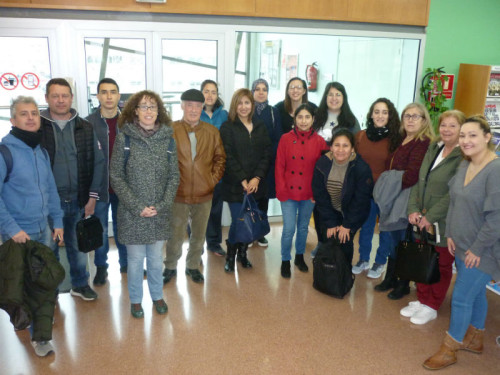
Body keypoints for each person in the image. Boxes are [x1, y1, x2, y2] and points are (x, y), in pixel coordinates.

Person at [423, 116, 500, 370]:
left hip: (484, 249)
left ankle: (449, 348)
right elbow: (454, 201)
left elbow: (496, 219)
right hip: (461, 242)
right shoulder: (465, 165)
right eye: (463, 135)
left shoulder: (495, 170)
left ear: (488, 137)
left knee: (461, 297)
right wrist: (451, 234)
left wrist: (477, 249)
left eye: (473, 135)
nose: (466, 141)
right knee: (476, 293)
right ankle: (476, 338)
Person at [0, 96, 64, 357]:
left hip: (42, 230)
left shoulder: (41, 150)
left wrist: (57, 221)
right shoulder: (5, 152)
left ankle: (38, 330)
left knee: (43, 284)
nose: (30, 118)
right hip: (18, 233)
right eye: (24, 114)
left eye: (34, 114)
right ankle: (32, 329)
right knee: (24, 284)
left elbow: (50, 188)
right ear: (13, 120)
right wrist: (12, 228)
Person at [110, 90, 179, 318]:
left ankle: (157, 296)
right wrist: (137, 206)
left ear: (159, 111)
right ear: (135, 111)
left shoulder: (169, 139)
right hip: (133, 214)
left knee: (157, 261)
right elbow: (116, 176)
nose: (148, 111)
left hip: (159, 212)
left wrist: (162, 204)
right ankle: (136, 300)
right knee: (136, 261)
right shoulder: (125, 138)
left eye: (152, 107)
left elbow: (174, 177)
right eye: (143, 107)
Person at [40, 78, 105, 301]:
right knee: (48, 249)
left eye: (64, 95)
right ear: (47, 98)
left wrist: (92, 196)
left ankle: (80, 284)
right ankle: (51, 291)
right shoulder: (38, 127)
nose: (60, 100)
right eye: (55, 96)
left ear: (71, 98)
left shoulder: (85, 127)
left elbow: (98, 162)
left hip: (79, 199)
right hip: (49, 202)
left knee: (78, 247)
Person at [402, 110, 465, 325]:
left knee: (441, 263)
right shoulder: (434, 147)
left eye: (452, 126)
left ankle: (432, 304)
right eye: (443, 125)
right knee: (423, 257)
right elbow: (420, 181)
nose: (446, 130)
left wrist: (431, 217)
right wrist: (413, 209)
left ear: (461, 129)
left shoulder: (463, 156)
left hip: (444, 220)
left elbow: (453, 193)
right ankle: (421, 298)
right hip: (422, 217)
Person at [164, 89, 226, 284]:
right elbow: (163, 161)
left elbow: (220, 159)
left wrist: (211, 181)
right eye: (189, 105)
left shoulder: (212, 132)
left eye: (197, 106)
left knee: (199, 234)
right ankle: (170, 266)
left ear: (202, 107)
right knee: (175, 233)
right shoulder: (170, 130)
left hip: (204, 193)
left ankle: (192, 266)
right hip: (178, 193)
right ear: (182, 106)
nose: (193, 109)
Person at [374, 102, 433, 300]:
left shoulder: (422, 142)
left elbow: (412, 175)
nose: (410, 119)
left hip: (404, 198)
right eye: (407, 116)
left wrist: (388, 181)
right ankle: (390, 277)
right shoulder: (403, 139)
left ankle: (403, 283)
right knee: (393, 240)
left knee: (402, 241)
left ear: (424, 120)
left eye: (415, 116)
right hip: (395, 196)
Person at [220, 88, 271, 272]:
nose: (243, 107)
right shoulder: (228, 127)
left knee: (251, 219)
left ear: (252, 105)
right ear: (235, 105)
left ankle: (243, 254)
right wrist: (242, 179)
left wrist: (257, 178)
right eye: (240, 103)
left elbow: (267, 154)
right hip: (235, 185)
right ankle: (230, 254)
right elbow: (228, 155)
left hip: (256, 185)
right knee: (238, 221)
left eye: (247, 103)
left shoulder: (260, 126)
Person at [275, 103, 327, 278]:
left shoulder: (320, 142)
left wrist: (317, 193)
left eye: (307, 117)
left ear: (313, 119)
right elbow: (279, 166)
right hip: (288, 192)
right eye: (300, 117)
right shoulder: (285, 139)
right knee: (289, 228)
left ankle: (299, 257)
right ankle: (284, 260)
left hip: (308, 193)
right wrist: (281, 190)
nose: (303, 121)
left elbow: (322, 172)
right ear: (294, 119)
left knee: (303, 227)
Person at [86, 77, 129, 285]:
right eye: (104, 92)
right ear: (98, 96)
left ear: (119, 95)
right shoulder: (87, 123)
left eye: (113, 91)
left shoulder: (129, 123)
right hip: (99, 188)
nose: (109, 96)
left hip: (123, 188)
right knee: (100, 230)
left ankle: (126, 263)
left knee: (123, 227)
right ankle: (101, 267)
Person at [352, 98, 401, 278]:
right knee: (366, 227)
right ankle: (363, 258)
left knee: (385, 229)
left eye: (384, 112)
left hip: (387, 193)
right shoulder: (361, 136)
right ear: (371, 114)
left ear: (390, 116)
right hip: (365, 191)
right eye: (377, 111)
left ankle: (380, 261)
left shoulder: (396, 138)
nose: (380, 116)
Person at [312, 129, 373, 266]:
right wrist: (331, 222)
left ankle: (343, 275)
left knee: (344, 240)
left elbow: (360, 201)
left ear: (352, 149)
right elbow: (320, 196)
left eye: (345, 145)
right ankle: (326, 275)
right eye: (337, 145)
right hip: (329, 210)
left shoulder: (361, 168)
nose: (340, 149)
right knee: (327, 239)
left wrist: (347, 225)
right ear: (331, 147)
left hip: (351, 213)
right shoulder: (323, 163)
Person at [252, 78, 283, 247]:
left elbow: (278, 137)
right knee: (250, 199)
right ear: (252, 92)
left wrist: (268, 157)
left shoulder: (273, 112)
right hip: (249, 164)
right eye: (257, 89)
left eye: (264, 89)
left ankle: (260, 233)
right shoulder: (246, 110)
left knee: (263, 199)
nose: (261, 92)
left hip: (267, 164)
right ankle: (249, 232)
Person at [200, 79, 228, 256]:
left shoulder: (224, 115)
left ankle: (214, 242)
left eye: (213, 92)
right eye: (206, 91)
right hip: (197, 172)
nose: (209, 95)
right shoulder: (195, 113)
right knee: (196, 212)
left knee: (215, 209)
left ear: (217, 95)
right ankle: (196, 247)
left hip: (218, 171)